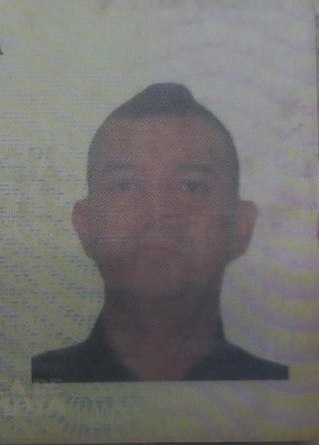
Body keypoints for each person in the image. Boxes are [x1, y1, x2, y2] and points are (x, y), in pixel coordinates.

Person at [32, 83, 288, 382]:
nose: (157, 211)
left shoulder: (289, 397)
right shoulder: (27, 385)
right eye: (124, 186)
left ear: (240, 227)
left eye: (191, 186)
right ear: (85, 225)